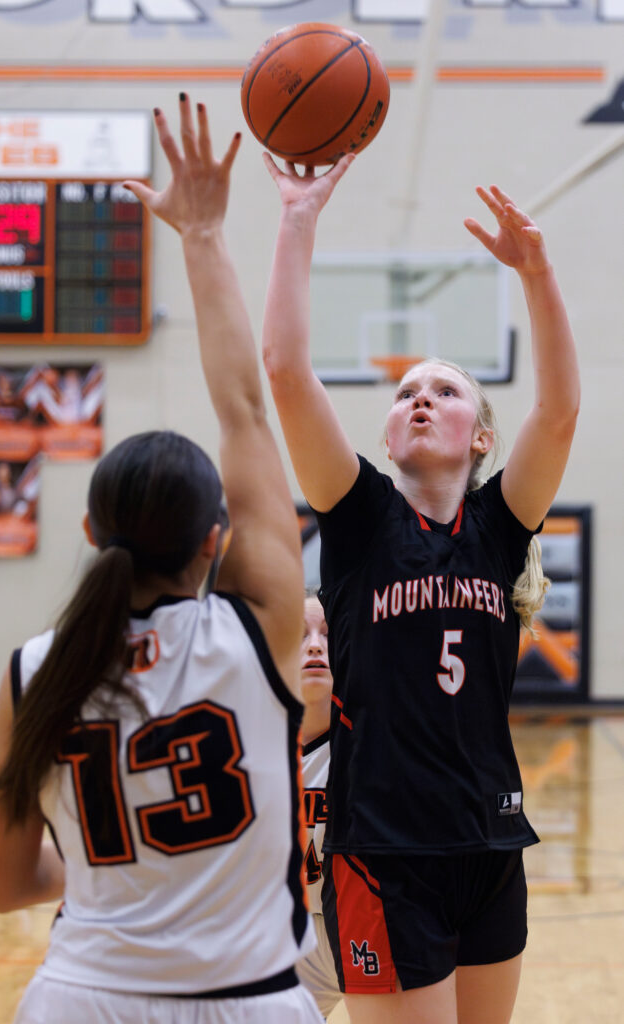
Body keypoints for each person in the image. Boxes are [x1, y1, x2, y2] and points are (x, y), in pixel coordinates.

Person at [0, 95, 322, 1024]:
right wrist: (205, 234)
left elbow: (11, 878)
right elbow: (247, 415)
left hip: (79, 1002)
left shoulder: (32, 671)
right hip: (247, 1004)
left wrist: (116, 861)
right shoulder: (257, 635)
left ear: (91, 535)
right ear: (218, 540)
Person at [261, 154, 580, 1024]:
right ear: (388, 429)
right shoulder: (360, 516)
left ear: (480, 436)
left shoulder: (498, 526)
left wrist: (538, 272)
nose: (421, 399)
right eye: (405, 392)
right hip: (386, 854)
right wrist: (298, 217)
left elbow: (557, 414)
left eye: (445, 390)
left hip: (489, 842)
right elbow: (287, 372)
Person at [297, 592, 342, 1020]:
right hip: (288, 932)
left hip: (364, 921)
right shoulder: (249, 744)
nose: (314, 644)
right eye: (301, 634)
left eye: (327, 635)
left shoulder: (375, 736)